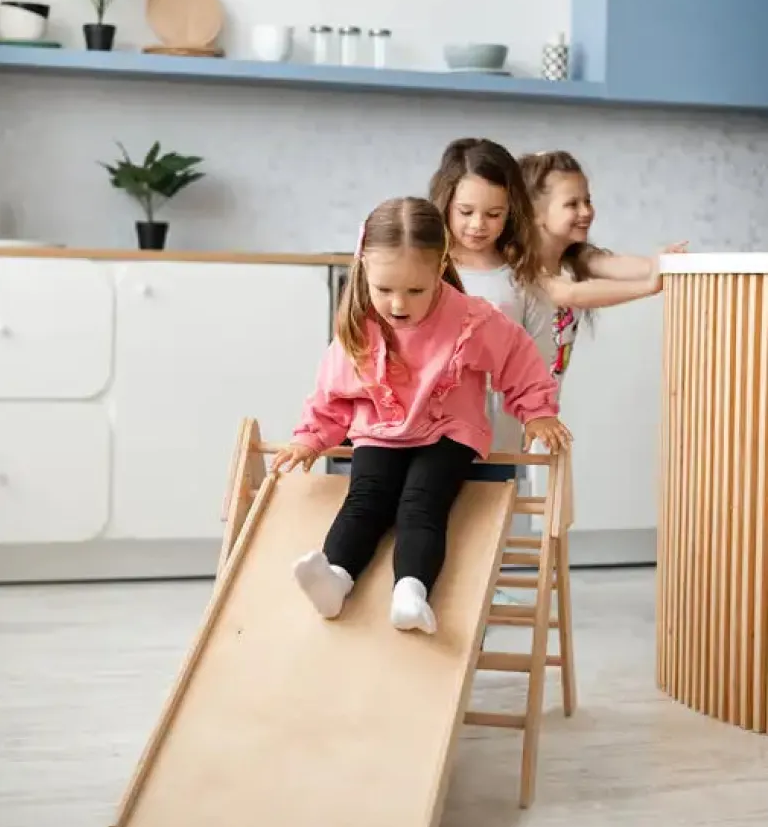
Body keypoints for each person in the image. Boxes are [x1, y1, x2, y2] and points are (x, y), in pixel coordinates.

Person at [272, 196, 571, 636]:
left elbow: (518, 358)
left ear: (439, 269)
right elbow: (332, 393)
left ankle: (411, 592)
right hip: (380, 429)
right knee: (365, 499)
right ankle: (336, 579)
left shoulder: (469, 318)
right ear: (364, 269)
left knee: (421, 503)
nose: (398, 304)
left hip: (447, 430)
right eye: (384, 290)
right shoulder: (359, 325)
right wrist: (310, 437)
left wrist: (537, 412)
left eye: (415, 290)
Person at [428, 138, 555, 464]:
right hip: (426, 438)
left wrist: (537, 413)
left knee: (492, 498)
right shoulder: (425, 269)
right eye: (466, 212)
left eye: (493, 214)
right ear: (446, 202)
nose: (477, 225)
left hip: (496, 444)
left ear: (511, 212)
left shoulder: (524, 279)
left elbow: (538, 362)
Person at [518, 150, 687, 385]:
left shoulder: (574, 258)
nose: (586, 212)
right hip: (504, 404)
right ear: (535, 213)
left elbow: (615, 264)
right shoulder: (522, 266)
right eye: (572, 204)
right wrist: (649, 287)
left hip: (541, 403)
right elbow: (569, 294)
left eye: (587, 201)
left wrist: (664, 263)